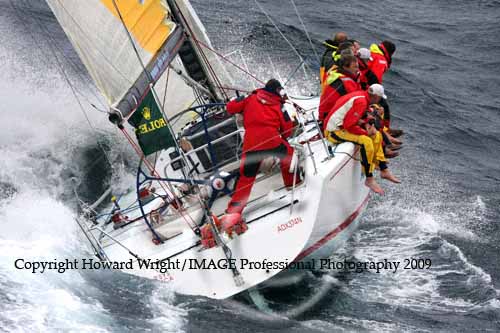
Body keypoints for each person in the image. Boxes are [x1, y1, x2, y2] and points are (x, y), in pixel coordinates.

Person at [225, 79, 298, 215]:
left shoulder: (249, 98)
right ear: (278, 91)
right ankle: (293, 185)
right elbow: (287, 130)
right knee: (289, 154)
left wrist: (240, 99)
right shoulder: (279, 105)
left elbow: (230, 107)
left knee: (245, 179)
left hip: (251, 144)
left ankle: (234, 210)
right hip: (272, 140)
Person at [323, 84, 400, 194]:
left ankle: (383, 168)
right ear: (376, 97)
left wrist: (368, 123)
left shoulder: (362, 96)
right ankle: (369, 179)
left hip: (341, 126)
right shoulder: (362, 101)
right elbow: (348, 125)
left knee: (377, 135)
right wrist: (366, 132)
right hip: (333, 131)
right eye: (380, 98)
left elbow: (358, 116)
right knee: (366, 141)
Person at [318, 54, 361, 127]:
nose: (357, 70)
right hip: (329, 118)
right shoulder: (346, 82)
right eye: (355, 67)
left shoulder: (337, 75)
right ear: (345, 67)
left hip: (324, 114)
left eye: (358, 67)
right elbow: (356, 101)